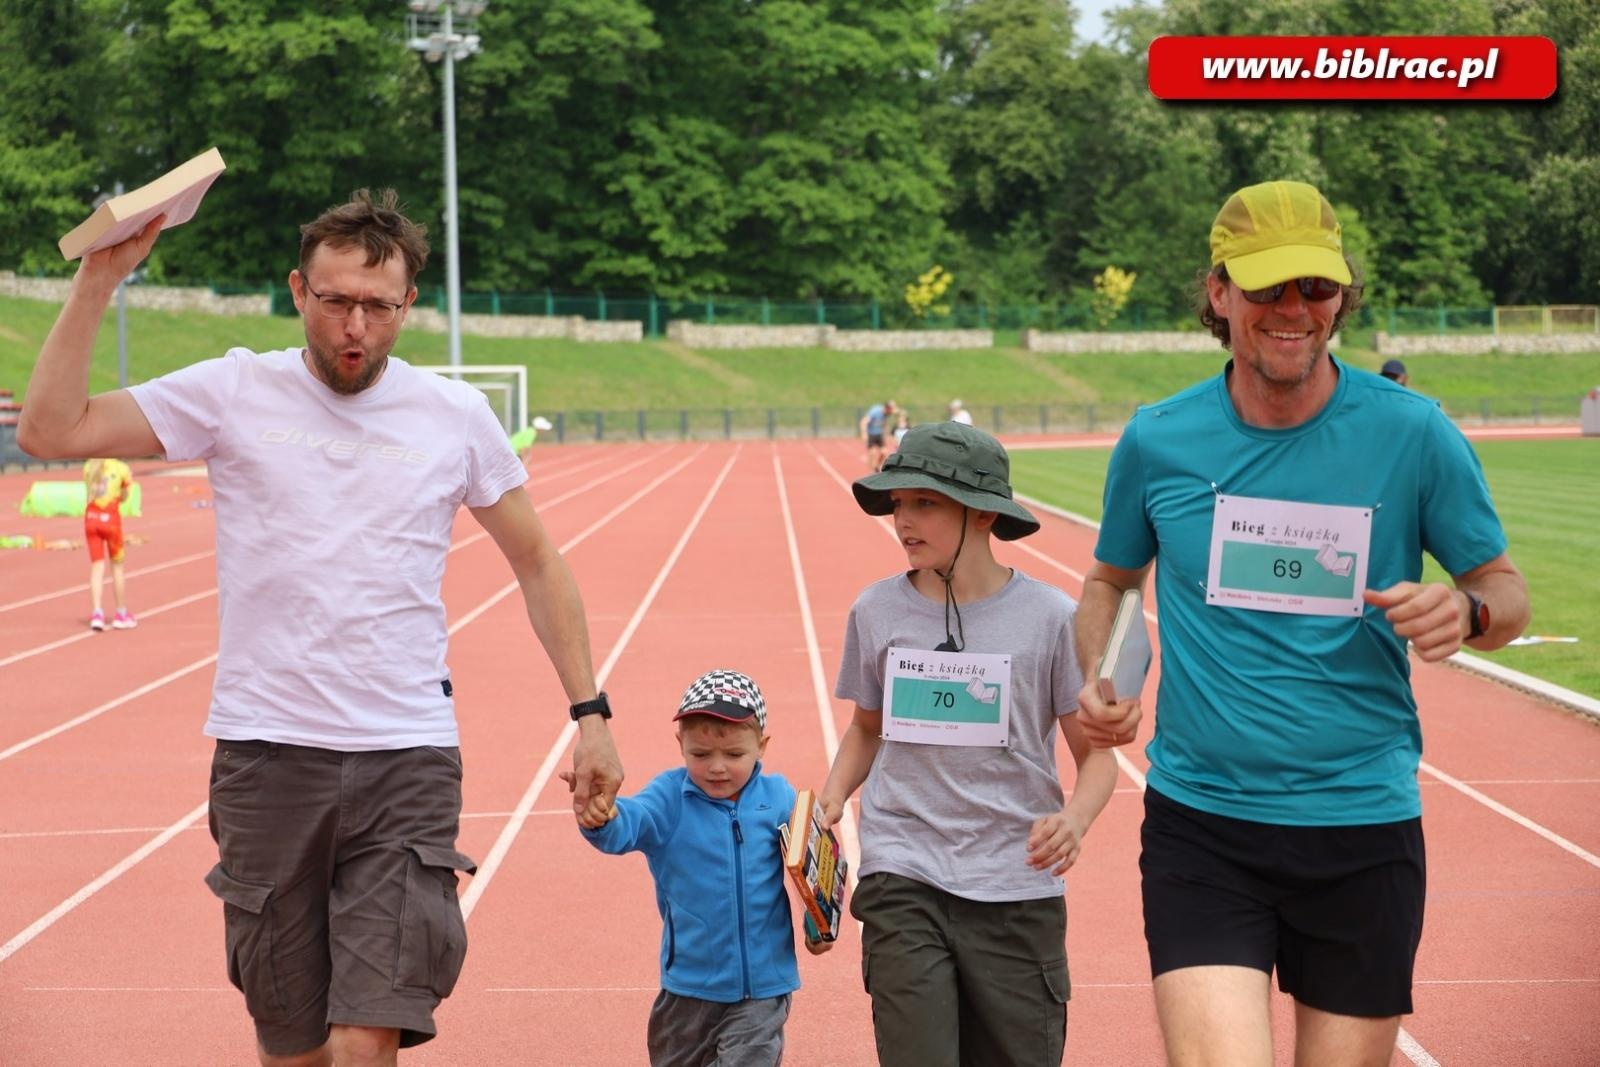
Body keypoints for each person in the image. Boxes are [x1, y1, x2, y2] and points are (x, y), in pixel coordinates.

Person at [18, 189, 623, 1067]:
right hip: (267, 755)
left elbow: (539, 562)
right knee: (295, 1047)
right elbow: (50, 429)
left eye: (379, 306)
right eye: (336, 301)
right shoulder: (233, 389)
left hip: (406, 754)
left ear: (408, 304)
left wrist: (590, 712)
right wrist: (98, 282)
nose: (356, 326)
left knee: (365, 1038)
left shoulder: (454, 415)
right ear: (298, 290)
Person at [1073, 179, 1529, 1067]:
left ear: (1341, 295)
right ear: (1219, 292)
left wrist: (1467, 609)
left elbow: (1505, 592)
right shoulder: (1157, 440)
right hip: (1202, 823)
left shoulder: (1414, 433)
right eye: (1267, 286)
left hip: (1362, 825)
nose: (1294, 309)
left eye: (1316, 286)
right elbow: (1110, 583)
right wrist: (1104, 672)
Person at [818, 422, 1118, 1066]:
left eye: (924, 502)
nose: (903, 519)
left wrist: (1075, 819)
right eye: (898, 503)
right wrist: (832, 798)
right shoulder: (876, 612)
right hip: (904, 873)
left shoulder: (1051, 618)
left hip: (1015, 885)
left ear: (982, 514)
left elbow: (1097, 755)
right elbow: (866, 727)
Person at [567, 669, 830, 1067]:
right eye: (701, 755)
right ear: (681, 744)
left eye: (734, 755)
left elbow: (813, 865)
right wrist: (601, 816)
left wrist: (818, 923)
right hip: (689, 987)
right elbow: (628, 825)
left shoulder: (779, 797)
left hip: (763, 986)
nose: (717, 767)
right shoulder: (669, 798)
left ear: (762, 746)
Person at [82, 456, 137, 631]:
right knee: (117, 567)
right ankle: (121, 613)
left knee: (97, 566)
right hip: (111, 522)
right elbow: (125, 496)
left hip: (91, 520)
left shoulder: (89, 466)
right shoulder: (121, 468)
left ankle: (97, 613)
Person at [858, 398, 897, 471]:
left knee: (884, 452)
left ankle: (877, 467)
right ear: (887, 408)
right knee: (872, 453)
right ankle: (871, 470)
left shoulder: (887, 413)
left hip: (879, 434)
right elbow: (863, 422)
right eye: (891, 410)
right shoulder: (875, 411)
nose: (891, 412)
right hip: (871, 434)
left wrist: (887, 434)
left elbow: (885, 422)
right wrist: (864, 433)